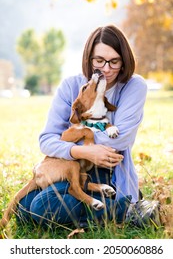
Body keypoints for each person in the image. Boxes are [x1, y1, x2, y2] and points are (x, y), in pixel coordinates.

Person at [18, 25, 147, 227]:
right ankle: (114, 210)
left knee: (42, 207)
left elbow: (121, 139)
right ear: (88, 59)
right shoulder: (71, 86)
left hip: (106, 168)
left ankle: (129, 211)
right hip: (69, 163)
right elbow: (46, 139)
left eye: (114, 61)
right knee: (24, 209)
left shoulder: (134, 86)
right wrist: (82, 151)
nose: (106, 69)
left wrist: (72, 139)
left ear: (124, 61)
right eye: (99, 61)